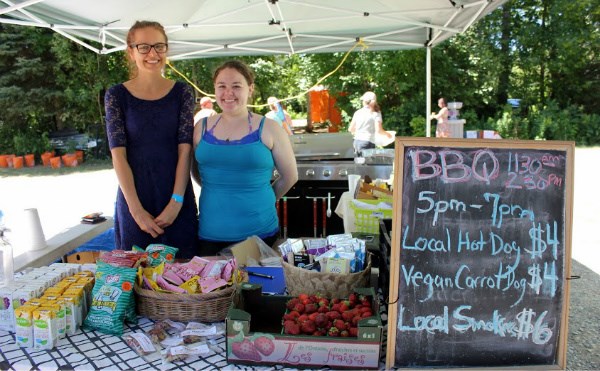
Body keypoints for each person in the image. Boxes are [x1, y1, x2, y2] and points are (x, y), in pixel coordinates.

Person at [104, 20, 198, 258]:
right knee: (136, 281)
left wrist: (176, 202)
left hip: (176, 198)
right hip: (135, 201)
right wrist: (136, 212)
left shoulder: (183, 92)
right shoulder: (116, 95)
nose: (153, 54)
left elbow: (184, 151)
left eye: (159, 46)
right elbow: (118, 156)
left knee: (185, 281)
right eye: (144, 47)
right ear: (131, 51)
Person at [192, 60, 298, 255]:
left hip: (259, 234)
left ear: (250, 89)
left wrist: (261, 197)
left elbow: (290, 176)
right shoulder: (201, 127)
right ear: (214, 90)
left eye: (236, 86)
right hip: (209, 233)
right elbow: (195, 171)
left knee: (258, 285)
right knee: (216, 286)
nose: (228, 93)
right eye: (221, 86)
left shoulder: (270, 128)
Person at [348, 91, 393, 156]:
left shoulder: (358, 113)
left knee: (358, 163)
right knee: (368, 164)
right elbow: (379, 130)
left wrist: (359, 130)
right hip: (368, 142)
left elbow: (350, 129)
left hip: (357, 142)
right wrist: (388, 134)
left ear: (364, 101)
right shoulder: (376, 113)